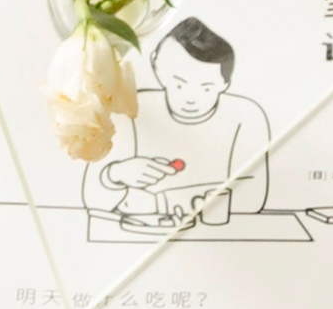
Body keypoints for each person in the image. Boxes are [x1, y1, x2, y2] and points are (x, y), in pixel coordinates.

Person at [115, 15, 273, 227]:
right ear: (156, 66)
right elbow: (91, 196)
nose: (190, 98)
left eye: (206, 87)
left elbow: (254, 197)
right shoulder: (134, 107)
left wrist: (161, 202)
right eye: (179, 84)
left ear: (225, 84)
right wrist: (114, 174)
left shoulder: (246, 116)